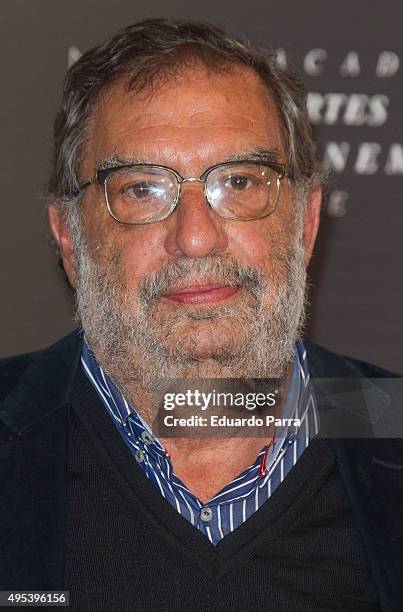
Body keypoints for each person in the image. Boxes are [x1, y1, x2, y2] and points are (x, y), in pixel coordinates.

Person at [0, 18, 401, 612]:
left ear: (308, 221)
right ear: (69, 236)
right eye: (142, 190)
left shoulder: (390, 423)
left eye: (240, 182)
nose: (195, 238)